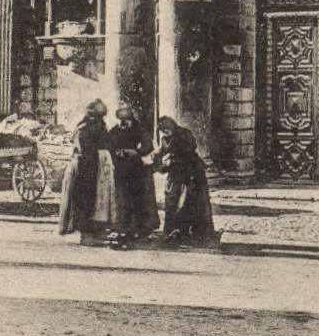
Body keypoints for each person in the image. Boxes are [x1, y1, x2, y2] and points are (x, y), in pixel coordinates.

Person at [58, 99, 116, 243]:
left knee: (96, 201)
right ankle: (86, 235)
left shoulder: (100, 126)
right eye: (96, 116)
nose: (98, 120)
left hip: (96, 168)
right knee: (84, 201)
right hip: (83, 168)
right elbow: (84, 150)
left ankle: (96, 232)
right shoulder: (83, 129)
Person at [154, 117, 216, 245]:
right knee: (172, 201)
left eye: (167, 129)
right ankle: (173, 231)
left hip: (191, 171)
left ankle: (197, 233)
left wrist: (172, 157)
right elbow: (161, 151)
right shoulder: (165, 139)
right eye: (163, 130)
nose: (166, 132)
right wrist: (157, 159)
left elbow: (190, 149)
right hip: (176, 173)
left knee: (192, 202)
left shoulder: (184, 134)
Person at [106, 104, 158, 248]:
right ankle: (123, 229)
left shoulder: (139, 129)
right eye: (121, 120)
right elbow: (109, 145)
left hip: (136, 170)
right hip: (120, 169)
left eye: (126, 120)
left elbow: (148, 146)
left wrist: (136, 152)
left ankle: (139, 229)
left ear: (131, 119)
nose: (123, 124)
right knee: (122, 199)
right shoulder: (114, 130)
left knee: (137, 199)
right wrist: (116, 153)